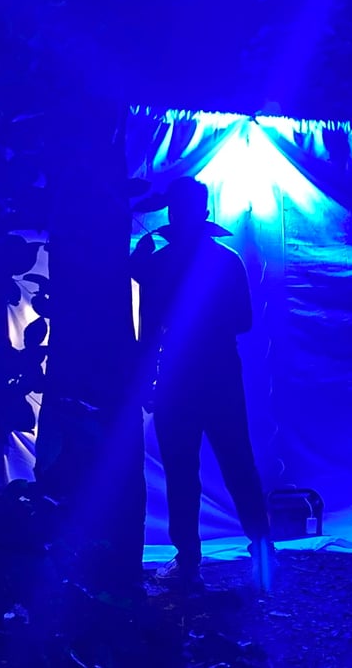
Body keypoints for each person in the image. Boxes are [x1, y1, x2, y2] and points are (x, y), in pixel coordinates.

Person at [131, 176, 274, 591]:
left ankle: (189, 561)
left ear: (173, 215)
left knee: (182, 469)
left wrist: (147, 378)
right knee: (236, 461)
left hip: (177, 376)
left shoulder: (157, 266)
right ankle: (261, 547)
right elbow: (244, 321)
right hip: (219, 374)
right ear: (205, 213)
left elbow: (149, 331)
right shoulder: (226, 261)